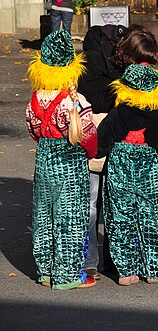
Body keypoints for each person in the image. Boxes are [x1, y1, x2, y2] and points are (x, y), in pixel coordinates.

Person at [96, 31, 158, 286]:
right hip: (148, 165)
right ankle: (152, 268)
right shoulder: (156, 117)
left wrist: (101, 151)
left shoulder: (117, 113)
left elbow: (101, 143)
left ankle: (125, 270)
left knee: (120, 215)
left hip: (120, 163)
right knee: (152, 214)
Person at [26, 29, 98, 289]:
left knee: (43, 214)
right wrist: (89, 153)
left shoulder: (36, 98)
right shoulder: (74, 100)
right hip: (70, 161)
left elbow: (33, 128)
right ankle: (68, 275)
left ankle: (45, 271)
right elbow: (87, 135)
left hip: (45, 158)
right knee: (70, 216)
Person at [77, 23, 128, 280]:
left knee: (90, 204)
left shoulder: (84, 66)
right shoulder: (121, 65)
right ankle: (116, 260)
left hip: (91, 138)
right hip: (118, 135)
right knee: (115, 203)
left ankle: (90, 261)